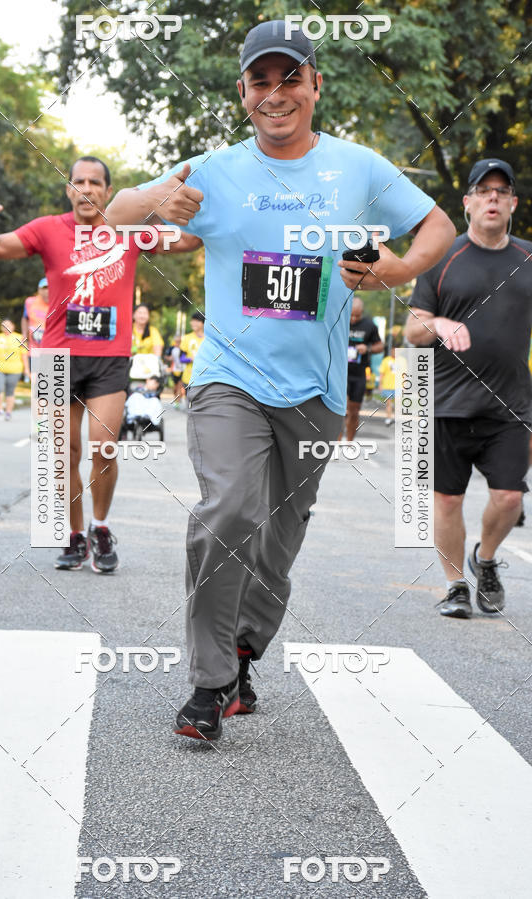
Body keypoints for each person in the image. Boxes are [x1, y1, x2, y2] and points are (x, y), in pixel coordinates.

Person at [106, 20, 456, 740]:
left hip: (319, 392)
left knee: (279, 537)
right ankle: (207, 684)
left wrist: (395, 270)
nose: (276, 94)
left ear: (315, 85)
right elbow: (116, 212)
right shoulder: (214, 168)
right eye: (260, 81)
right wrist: (157, 205)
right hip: (228, 378)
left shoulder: (358, 167)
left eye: (290, 77)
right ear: (243, 93)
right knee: (230, 509)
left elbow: (438, 227)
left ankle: (242, 651)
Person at [0, 155, 201, 573]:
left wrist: (182, 204)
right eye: (79, 182)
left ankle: (101, 526)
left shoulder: (128, 230)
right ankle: (74, 536)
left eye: (95, 182)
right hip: (55, 358)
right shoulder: (47, 229)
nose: (87, 189)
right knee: (63, 453)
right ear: (69, 189)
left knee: (104, 448)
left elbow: (188, 241)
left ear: (109, 191)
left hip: (108, 357)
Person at [405, 158, 532, 619]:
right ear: (468, 203)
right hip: (448, 403)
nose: (493, 198)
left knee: (509, 497)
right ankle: (456, 584)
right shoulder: (442, 260)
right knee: (447, 499)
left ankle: (486, 558)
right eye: (484, 191)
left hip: (510, 405)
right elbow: (413, 329)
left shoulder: (528, 260)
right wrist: (437, 323)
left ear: (514, 203)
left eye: (502, 191)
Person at [345, 296, 384, 438]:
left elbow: (380, 346)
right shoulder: (339, 321)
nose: (354, 318)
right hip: (341, 373)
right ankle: (336, 443)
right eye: (351, 315)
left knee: (354, 411)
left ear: (362, 312)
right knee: (341, 410)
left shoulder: (369, 325)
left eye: (357, 315)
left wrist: (367, 348)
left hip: (359, 374)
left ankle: (349, 443)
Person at [0, 319, 30, 420]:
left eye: (8, 325)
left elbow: (24, 355)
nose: (6, 327)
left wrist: (26, 369)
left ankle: (8, 412)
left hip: (15, 369)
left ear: (13, 326)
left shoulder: (20, 337)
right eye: (4, 325)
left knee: (10, 391)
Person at [21, 277, 50, 351]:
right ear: (39, 290)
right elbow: (25, 318)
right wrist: (24, 335)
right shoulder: (30, 302)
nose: (47, 291)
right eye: (44, 288)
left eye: (50, 287)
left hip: (54, 349)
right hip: (34, 348)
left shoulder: (59, 304)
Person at [180, 311, 205, 390]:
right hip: (188, 378)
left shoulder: (209, 339)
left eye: (197, 321)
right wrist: (191, 359)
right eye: (192, 320)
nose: (194, 323)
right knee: (190, 402)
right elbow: (181, 358)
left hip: (205, 378)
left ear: (203, 323)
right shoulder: (187, 338)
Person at [378, 344, 397, 425]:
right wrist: (380, 384)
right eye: (393, 351)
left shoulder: (402, 360)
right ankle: (388, 418)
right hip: (387, 386)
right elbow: (382, 373)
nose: (394, 352)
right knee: (388, 403)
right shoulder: (386, 360)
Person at [164, 335, 185, 404]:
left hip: (183, 370)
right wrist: (169, 358)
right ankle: (176, 398)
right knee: (175, 387)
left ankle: (178, 401)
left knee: (180, 386)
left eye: (179, 341)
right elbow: (166, 356)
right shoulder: (171, 348)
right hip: (174, 370)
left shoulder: (184, 348)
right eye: (176, 341)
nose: (178, 343)